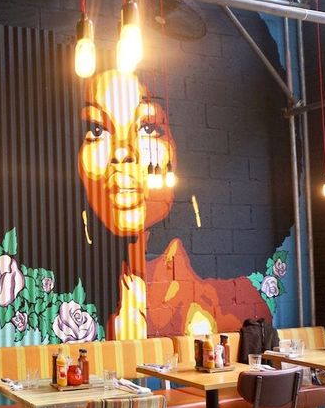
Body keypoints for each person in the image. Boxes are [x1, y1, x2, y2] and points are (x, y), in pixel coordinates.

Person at [78, 70, 269, 339]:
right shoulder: (74, 297)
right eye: (97, 130)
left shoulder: (237, 302)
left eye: (148, 128)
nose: (123, 152)